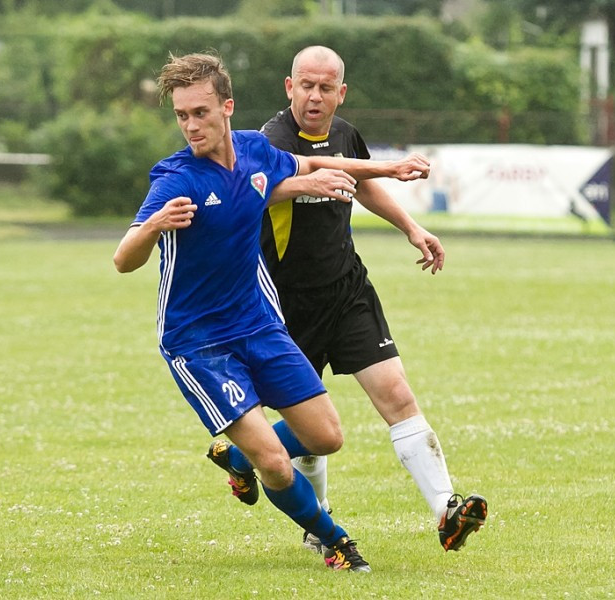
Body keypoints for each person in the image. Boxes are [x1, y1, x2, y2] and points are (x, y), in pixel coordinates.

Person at [114, 52, 431, 573]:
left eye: (200, 112)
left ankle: (236, 455)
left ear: (227, 107)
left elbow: (310, 164)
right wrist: (151, 227)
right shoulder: (175, 180)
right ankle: (335, 539)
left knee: (326, 437)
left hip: (259, 325)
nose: (191, 125)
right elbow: (123, 260)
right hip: (200, 345)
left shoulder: (257, 151)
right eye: (182, 115)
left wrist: (388, 168)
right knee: (276, 463)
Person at [258, 45, 487, 553]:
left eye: (326, 88)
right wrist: (300, 182)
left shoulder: (344, 134)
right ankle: (316, 527)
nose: (315, 97)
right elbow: (251, 192)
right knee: (309, 427)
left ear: (341, 93)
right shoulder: (268, 141)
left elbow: (360, 182)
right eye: (306, 85)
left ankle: (447, 509)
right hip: (286, 302)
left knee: (398, 395)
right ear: (288, 86)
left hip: (347, 290)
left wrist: (411, 226)